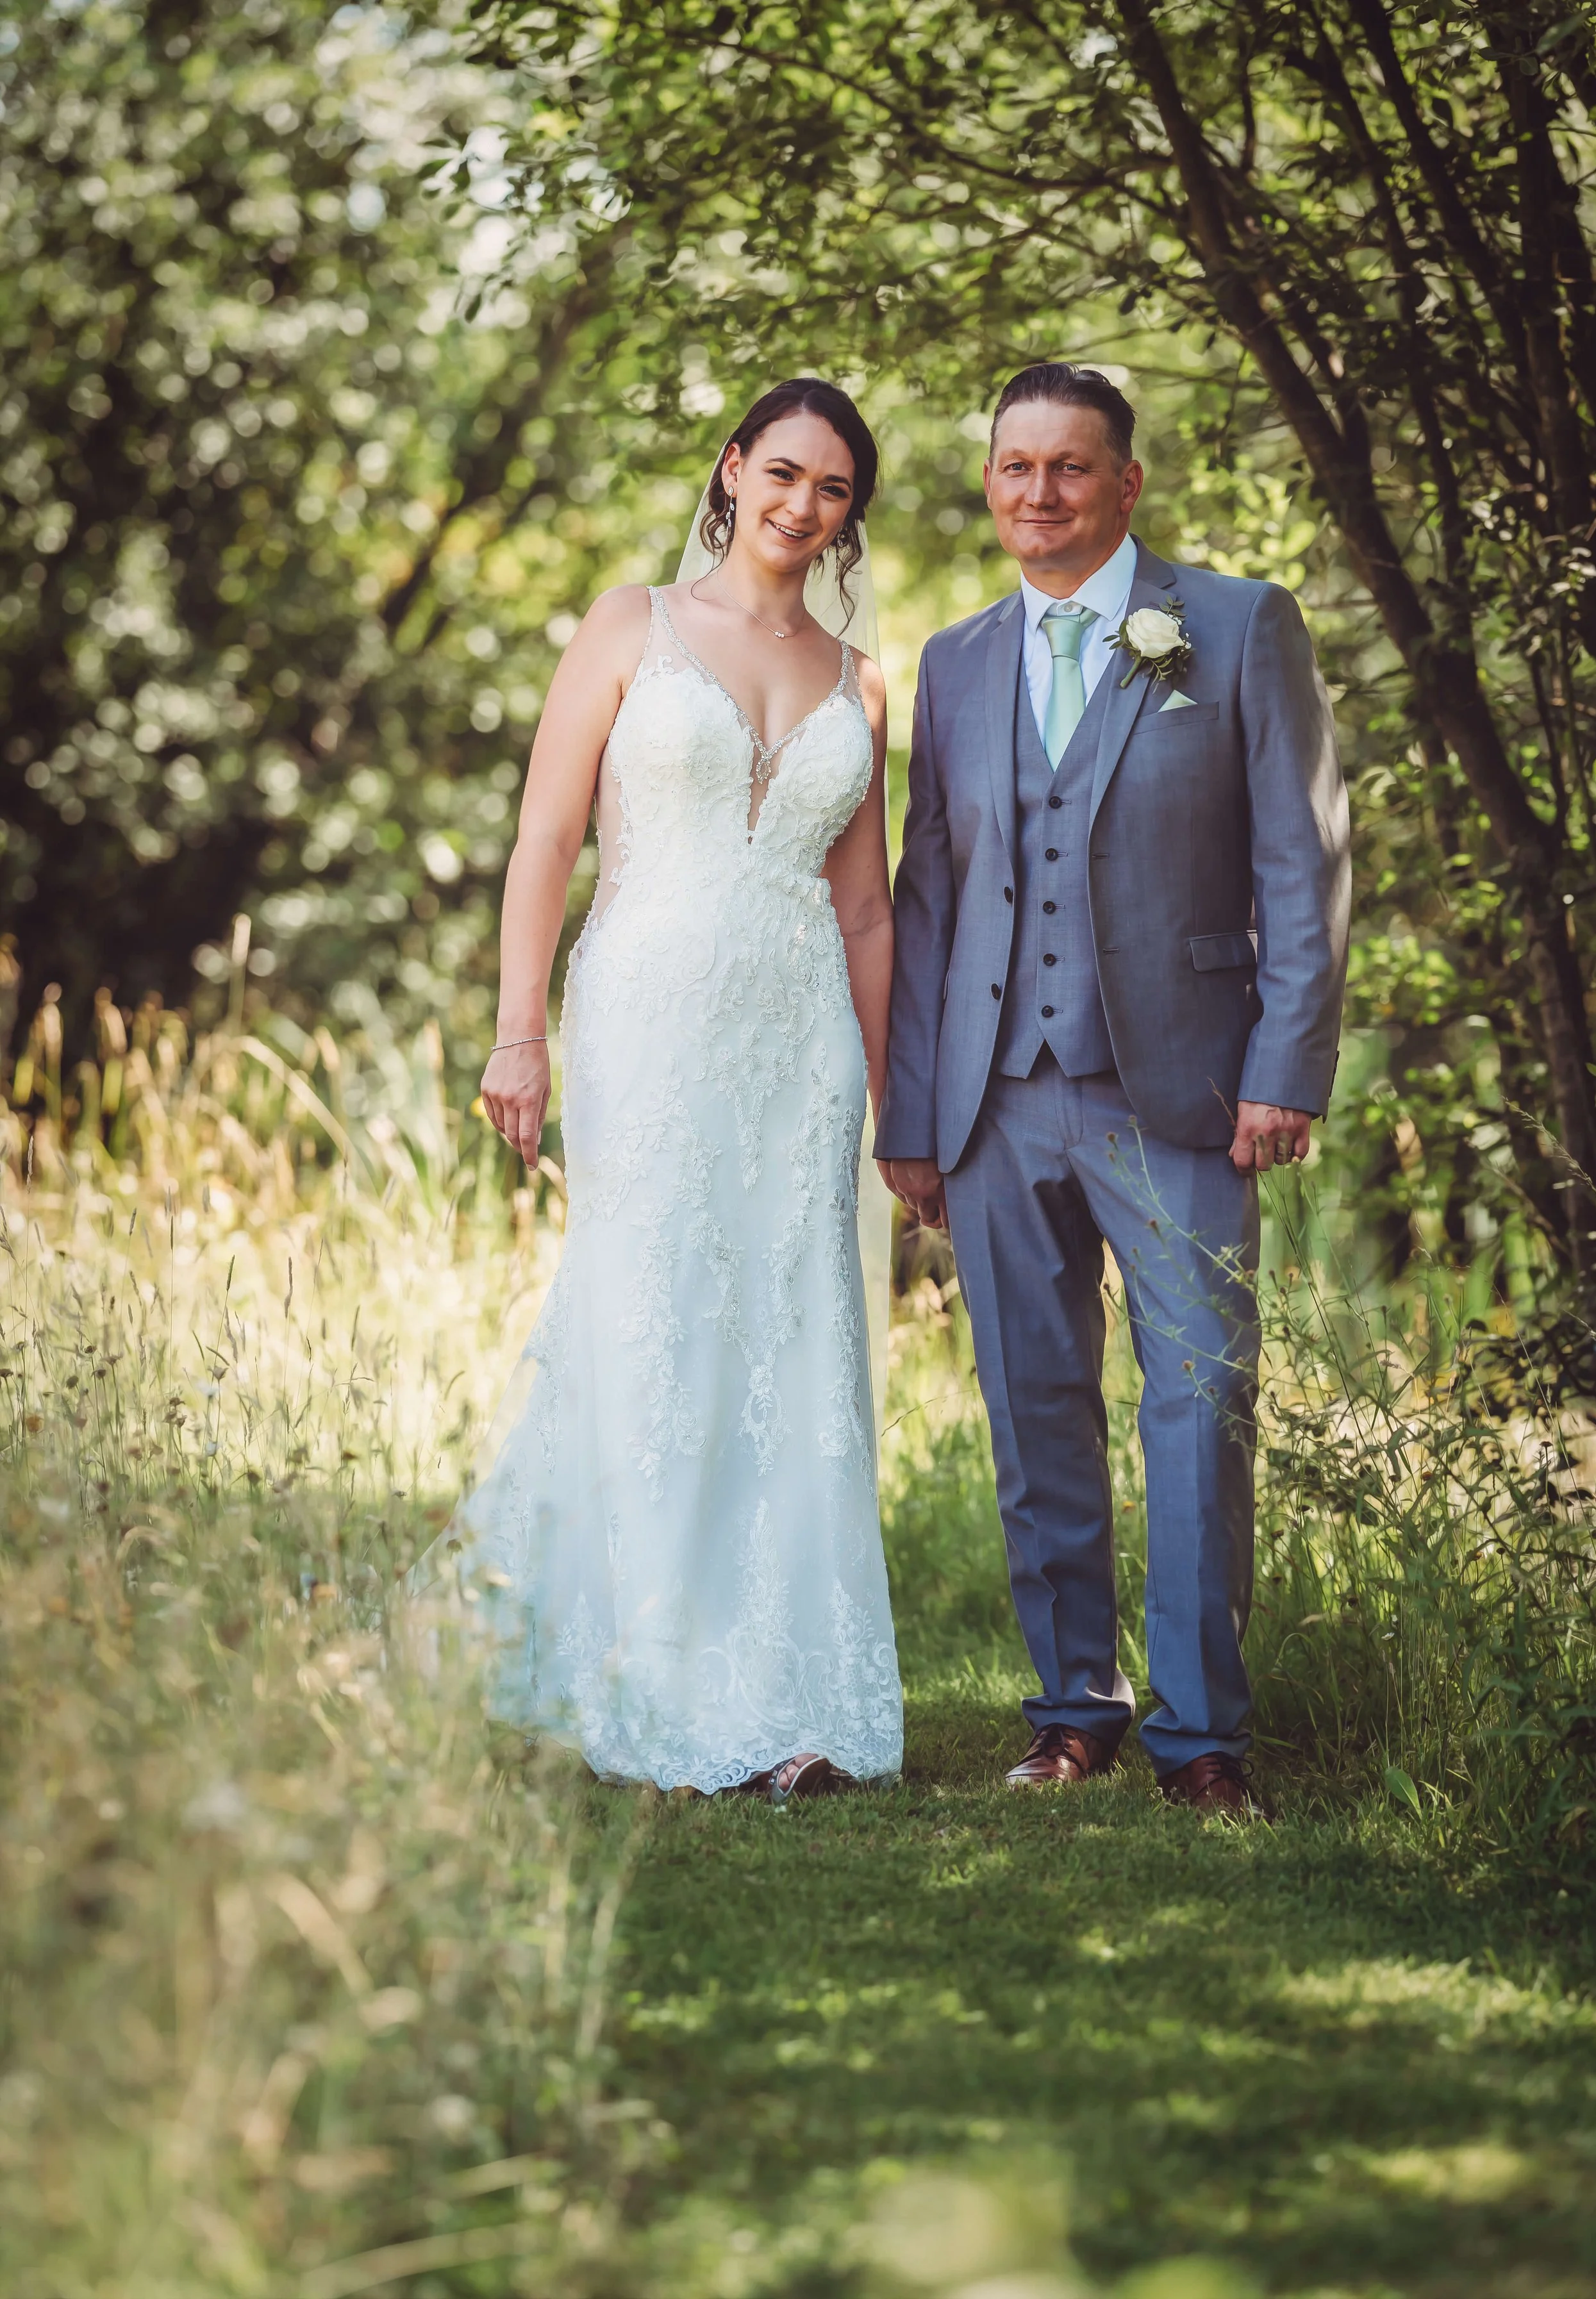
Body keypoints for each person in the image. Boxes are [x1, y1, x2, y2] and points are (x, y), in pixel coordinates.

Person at [877, 363, 1349, 1816]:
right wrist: (912, 1119)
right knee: (1032, 1409)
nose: (1038, 491)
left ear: (1124, 483)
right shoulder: (954, 660)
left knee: (1198, 1406)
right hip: (996, 1098)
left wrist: (1283, 1067)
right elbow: (931, 899)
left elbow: (1303, 860)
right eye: (1013, 467)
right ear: (988, 485)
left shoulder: (1233, 624)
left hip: (1185, 1095)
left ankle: (1200, 1735)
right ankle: (1070, 1708)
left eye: (1068, 467)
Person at [442, 378, 903, 1800]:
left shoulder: (858, 678)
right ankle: (647, 1669)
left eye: (830, 489)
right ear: (730, 470)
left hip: (803, 1039)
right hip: (643, 1013)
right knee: (653, 1319)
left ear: (847, 515)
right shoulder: (627, 623)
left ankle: (792, 1694)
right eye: (780, 473)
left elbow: (868, 913)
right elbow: (545, 834)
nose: (799, 505)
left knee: (791, 1335)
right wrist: (516, 1029)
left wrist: (898, 1107)